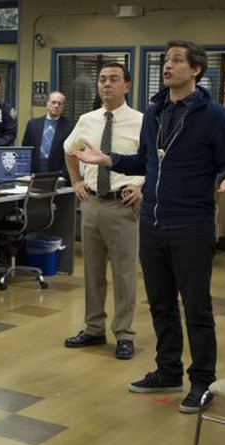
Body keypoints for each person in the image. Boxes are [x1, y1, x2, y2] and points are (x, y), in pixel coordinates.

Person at [71, 40, 225, 414]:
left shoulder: (214, 116)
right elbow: (145, 162)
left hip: (191, 224)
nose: (168, 65)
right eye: (166, 60)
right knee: (161, 304)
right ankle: (168, 371)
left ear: (196, 69)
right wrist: (110, 159)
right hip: (152, 222)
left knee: (196, 309)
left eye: (177, 60)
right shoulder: (154, 112)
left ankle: (202, 382)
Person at [63, 64, 144, 360]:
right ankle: (94, 328)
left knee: (124, 274)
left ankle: (124, 334)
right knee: (92, 271)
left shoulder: (141, 122)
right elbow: (69, 150)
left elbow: (156, 161)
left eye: (113, 79)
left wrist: (143, 187)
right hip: (93, 203)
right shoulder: (87, 120)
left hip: (123, 205)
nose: (106, 84)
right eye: (102, 79)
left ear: (127, 85)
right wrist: (76, 181)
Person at [22, 91, 73, 178]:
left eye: (59, 104)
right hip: (34, 174)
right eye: (53, 102)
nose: (56, 106)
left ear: (63, 107)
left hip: (57, 176)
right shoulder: (33, 124)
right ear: (47, 104)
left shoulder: (69, 127)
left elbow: (70, 154)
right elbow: (26, 149)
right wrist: (25, 172)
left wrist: (63, 175)